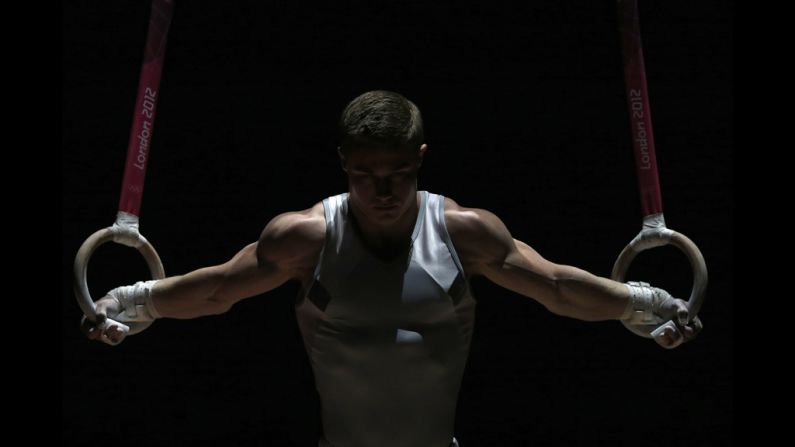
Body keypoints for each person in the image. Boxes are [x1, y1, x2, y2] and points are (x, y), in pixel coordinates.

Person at [82, 90, 703, 447]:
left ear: (421, 159)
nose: (381, 192)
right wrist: (127, 301)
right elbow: (216, 290)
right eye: (364, 176)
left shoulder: (464, 233)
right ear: (343, 162)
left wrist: (650, 304)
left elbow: (561, 289)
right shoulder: (306, 238)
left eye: (398, 176)